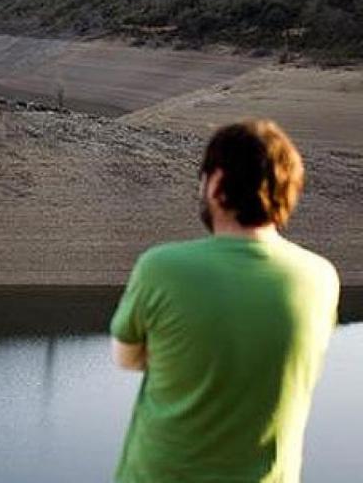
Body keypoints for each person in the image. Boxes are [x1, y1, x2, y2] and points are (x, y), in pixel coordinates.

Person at [110, 120, 340, 483]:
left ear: (216, 183)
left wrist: (181, 351)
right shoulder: (320, 278)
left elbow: (126, 358)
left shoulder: (162, 268)